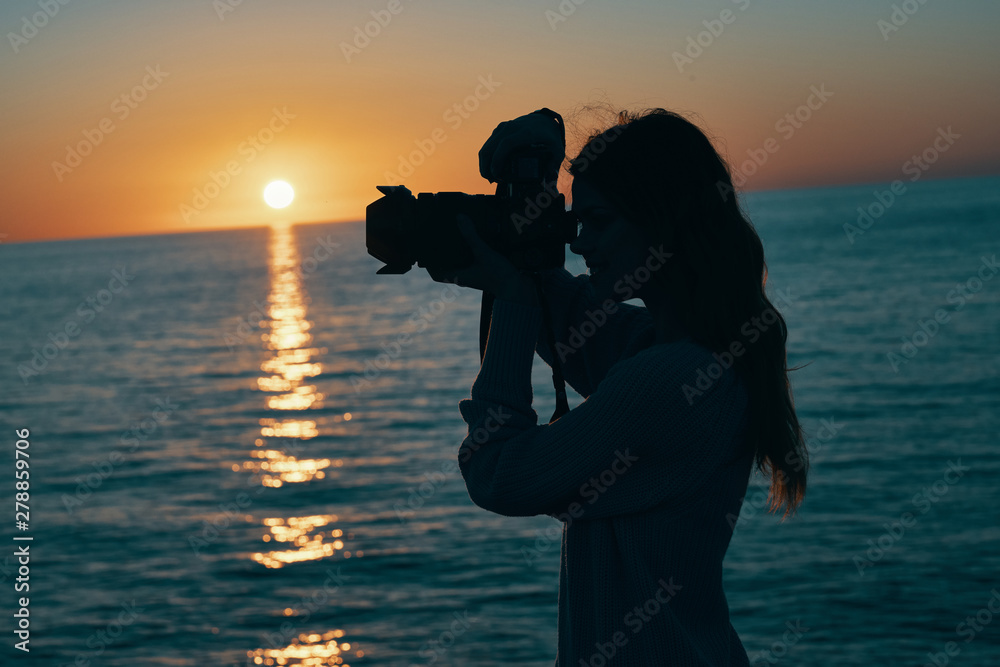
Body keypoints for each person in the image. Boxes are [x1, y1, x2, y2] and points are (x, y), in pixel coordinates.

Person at [429, 107, 808, 666]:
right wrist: (523, 208)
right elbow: (572, 321)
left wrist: (510, 301)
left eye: (600, 222)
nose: (580, 243)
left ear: (664, 224)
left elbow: (499, 473)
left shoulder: (667, 378)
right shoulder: (692, 352)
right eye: (576, 222)